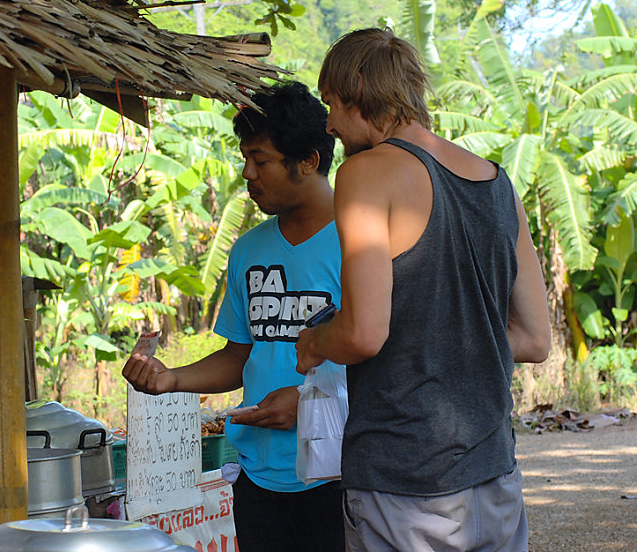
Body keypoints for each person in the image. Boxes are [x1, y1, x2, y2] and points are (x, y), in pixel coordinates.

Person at [296, 28, 552, 551]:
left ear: (357, 90)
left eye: (331, 104)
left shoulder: (365, 173)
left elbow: (365, 333)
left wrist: (316, 341)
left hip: (404, 485)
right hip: (495, 480)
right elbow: (534, 340)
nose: (328, 123)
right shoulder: (499, 184)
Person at [122, 81, 345, 552]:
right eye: (246, 158)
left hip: (338, 477)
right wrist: (171, 380)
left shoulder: (359, 244)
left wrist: (309, 404)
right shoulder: (249, 249)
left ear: (308, 160)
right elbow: (241, 354)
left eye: (260, 160)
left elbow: (384, 357)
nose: (247, 173)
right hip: (258, 480)